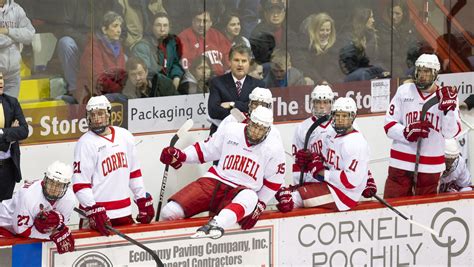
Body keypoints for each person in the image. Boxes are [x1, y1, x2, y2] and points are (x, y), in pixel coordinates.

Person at [159, 106, 286, 239]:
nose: (256, 132)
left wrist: (260, 204)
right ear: (248, 122)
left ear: (268, 130)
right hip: (215, 180)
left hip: (242, 191)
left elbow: (274, 181)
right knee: (169, 212)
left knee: (251, 197)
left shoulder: (274, 147)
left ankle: (215, 225)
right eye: (254, 126)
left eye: (261, 129)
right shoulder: (231, 129)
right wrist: (181, 155)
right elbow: (205, 150)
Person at [72, 96, 155, 236]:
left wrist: (141, 199)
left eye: (100, 114)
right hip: (96, 217)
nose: (96, 118)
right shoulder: (85, 143)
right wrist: (93, 209)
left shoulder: (125, 136)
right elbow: (80, 185)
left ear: (109, 114)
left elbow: (134, 173)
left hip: (124, 212)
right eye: (92, 115)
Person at [383, 54, 462, 198]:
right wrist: (406, 132)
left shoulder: (447, 95)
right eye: (419, 70)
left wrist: (448, 111)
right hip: (400, 163)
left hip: (431, 165)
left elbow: (451, 133)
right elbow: (388, 125)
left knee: (425, 209)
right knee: (393, 206)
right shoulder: (404, 91)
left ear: (435, 73)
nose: (422, 75)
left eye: (427, 71)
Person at [276, 97, 370, 212]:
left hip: (343, 195)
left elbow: (350, 181)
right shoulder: (331, 134)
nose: (340, 119)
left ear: (353, 117)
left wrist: (323, 173)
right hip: (331, 185)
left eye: (345, 116)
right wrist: (312, 158)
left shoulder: (356, 143)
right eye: (337, 115)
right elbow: (324, 159)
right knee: (288, 193)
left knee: (291, 200)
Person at [0, 161, 75, 254]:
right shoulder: (29, 196)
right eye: (51, 183)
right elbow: (22, 231)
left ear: (66, 186)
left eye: (59, 185)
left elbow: (59, 226)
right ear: (45, 179)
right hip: (4, 226)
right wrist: (51, 235)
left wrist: (58, 230)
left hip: (19, 231)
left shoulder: (69, 199)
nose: (53, 188)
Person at [208, 44, 265, 135]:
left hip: (248, 136)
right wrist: (245, 111)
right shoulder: (217, 82)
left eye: (244, 61)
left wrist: (233, 104)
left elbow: (259, 111)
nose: (240, 64)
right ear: (230, 62)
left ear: (249, 63)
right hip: (221, 135)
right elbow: (213, 111)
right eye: (236, 60)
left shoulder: (258, 85)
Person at [76, 11, 127, 104]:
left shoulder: (119, 47)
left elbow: (122, 74)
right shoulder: (93, 47)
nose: (119, 30)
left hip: (112, 92)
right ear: (104, 29)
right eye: (115, 26)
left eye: (120, 26)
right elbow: (98, 79)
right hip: (92, 95)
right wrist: (119, 87)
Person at [130, 12, 184, 89]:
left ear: (169, 28)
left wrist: (176, 77)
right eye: (158, 25)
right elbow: (147, 72)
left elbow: (176, 63)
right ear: (152, 27)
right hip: (152, 87)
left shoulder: (171, 45)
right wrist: (168, 84)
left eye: (165, 25)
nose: (162, 29)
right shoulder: (141, 47)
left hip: (170, 85)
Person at [0, 72, 28, 201]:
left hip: (8, 167)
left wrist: (3, 133)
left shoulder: (12, 102)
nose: (0, 82)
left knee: (5, 210)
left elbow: (24, 131)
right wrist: (11, 133)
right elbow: (17, 132)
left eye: (1, 78)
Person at [178, 8, 230, 76]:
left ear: (211, 23)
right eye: (198, 20)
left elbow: (229, 57)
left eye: (205, 21)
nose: (201, 24)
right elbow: (185, 66)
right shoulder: (184, 37)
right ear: (193, 21)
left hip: (220, 78)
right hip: (197, 79)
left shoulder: (217, 35)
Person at [293, 12, 342, 84]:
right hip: (313, 78)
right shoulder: (306, 43)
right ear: (314, 29)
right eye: (322, 30)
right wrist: (320, 80)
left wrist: (325, 79)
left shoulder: (336, 44)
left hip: (330, 79)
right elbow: (303, 64)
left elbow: (334, 64)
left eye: (328, 30)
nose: (325, 33)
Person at [0, 0, 35, 98]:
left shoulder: (17, 9)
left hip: (13, 75)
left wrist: (8, 31)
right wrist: (13, 38)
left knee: (9, 110)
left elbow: (30, 35)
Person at [249, 0, 297, 65]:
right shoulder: (258, 33)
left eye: (278, 12)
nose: (276, 15)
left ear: (284, 13)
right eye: (272, 12)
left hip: (287, 67)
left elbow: (297, 55)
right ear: (265, 14)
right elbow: (262, 58)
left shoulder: (289, 32)